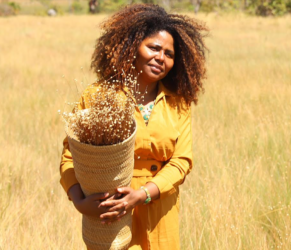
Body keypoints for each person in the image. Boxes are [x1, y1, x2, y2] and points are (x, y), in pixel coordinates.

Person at [59, 4, 208, 250]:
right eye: (154, 47)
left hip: (161, 212)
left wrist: (142, 194)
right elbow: (70, 155)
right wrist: (78, 201)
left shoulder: (178, 104)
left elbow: (182, 161)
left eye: (169, 54)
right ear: (132, 46)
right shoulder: (98, 96)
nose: (161, 57)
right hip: (111, 213)